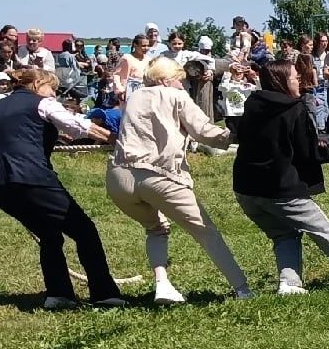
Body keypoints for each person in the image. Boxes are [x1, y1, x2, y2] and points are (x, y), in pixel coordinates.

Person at [231, 58, 329, 294]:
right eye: (293, 77)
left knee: (284, 234)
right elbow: (311, 154)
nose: (298, 79)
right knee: (327, 234)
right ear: (280, 81)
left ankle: (290, 284)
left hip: (246, 189)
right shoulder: (295, 109)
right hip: (281, 190)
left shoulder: (253, 103)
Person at [104, 56, 250, 304]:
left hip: (119, 178)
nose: (183, 85)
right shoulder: (176, 96)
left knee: (156, 228)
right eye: (179, 80)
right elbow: (204, 132)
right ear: (164, 79)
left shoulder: (135, 96)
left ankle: (163, 284)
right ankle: (243, 290)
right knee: (206, 232)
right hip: (160, 176)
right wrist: (236, 135)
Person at [0, 68, 126, 309]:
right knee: (85, 231)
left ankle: (58, 295)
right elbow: (77, 125)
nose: (54, 93)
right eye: (51, 88)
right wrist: (117, 142)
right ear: (37, 84)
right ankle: (104, 293)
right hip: (32, 177)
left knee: (49, 234)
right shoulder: (43, 104)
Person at [113, 34, 150, 103]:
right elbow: (117, 75)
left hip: (145, 91)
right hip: (130, 91)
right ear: (135, 45)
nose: (146, 48)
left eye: (148, 46)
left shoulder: (148, 59)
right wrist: (121, 90)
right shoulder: (127, 58)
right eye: (143, 46)